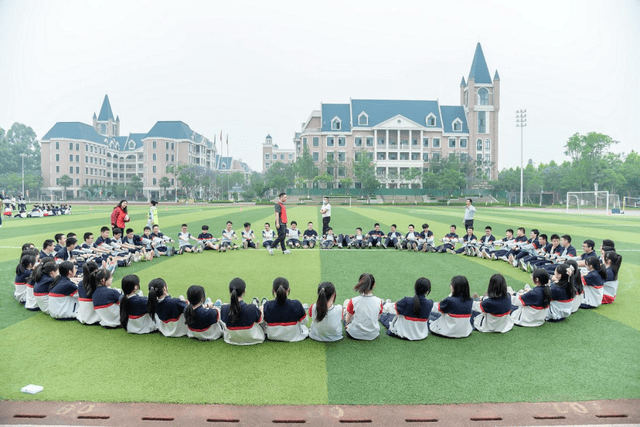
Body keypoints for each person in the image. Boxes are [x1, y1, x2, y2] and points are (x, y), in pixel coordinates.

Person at [219, 278, 265, 345]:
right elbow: (260, 320)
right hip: (254, 339)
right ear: (244, 291)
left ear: (230, 292)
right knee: (261, 312)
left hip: (231, 339)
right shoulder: (251, 308)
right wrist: (262, 308)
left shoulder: (224, 308)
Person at [262, 277, 308, 342]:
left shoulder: (267, 305)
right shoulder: (296, 304)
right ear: (288, 289)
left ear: (273, 290)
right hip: (294, 337)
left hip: (272, 337)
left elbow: (263, 322)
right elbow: (304, 321)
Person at [343, 273, 383, 340]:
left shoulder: (353, 301)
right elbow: (377, 318)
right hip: (373, 334)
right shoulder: (379, 301)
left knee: (346, 314)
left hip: (354, 334)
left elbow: (347, 320)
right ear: (374, 284)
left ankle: (345, 308)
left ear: (360, 284)